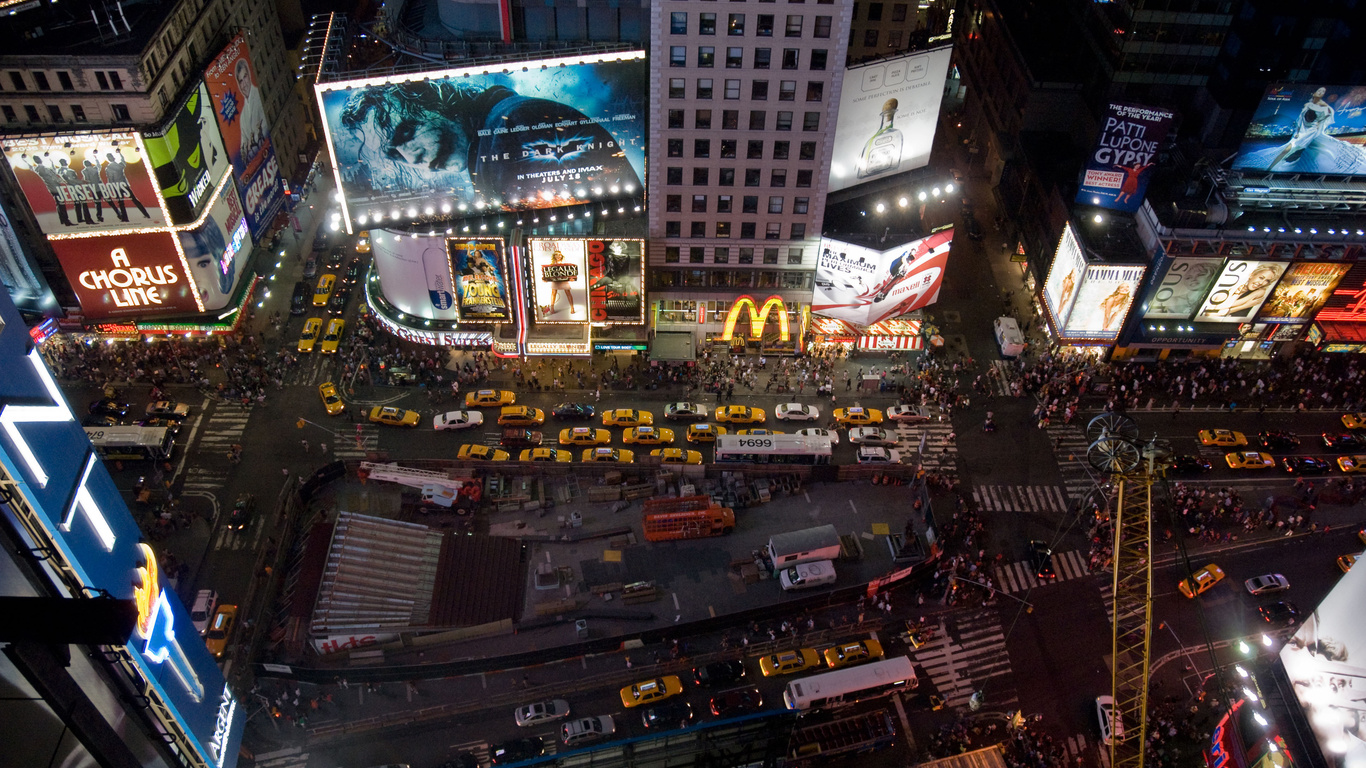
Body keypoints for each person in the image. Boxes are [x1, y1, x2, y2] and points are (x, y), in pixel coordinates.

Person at [335, 79, 642, 205]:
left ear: (435, 101)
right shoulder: (496, 136)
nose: (411, 157)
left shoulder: (511, 124)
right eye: (395, 156)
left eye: (406, 131)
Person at [234, 57, 267, 165]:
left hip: (267, 151)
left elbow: (265, 127)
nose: (244, 84)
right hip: (257, 162)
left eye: (245, 77)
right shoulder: (242, 116)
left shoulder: (259, 95)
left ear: (249, 74)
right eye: (240, 81)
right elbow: (243, 144)